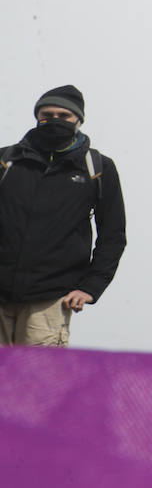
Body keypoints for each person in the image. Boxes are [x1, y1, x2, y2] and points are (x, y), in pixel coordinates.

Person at [0, 86, 127, 346]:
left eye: (64, 115)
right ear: (37, 117)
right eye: (47, 114)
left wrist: (91, 287)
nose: (55, 120)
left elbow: (113, 235)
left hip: (49, 302)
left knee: (39, 384)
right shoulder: (6, 161)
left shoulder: (98, 168)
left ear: (78, 119)